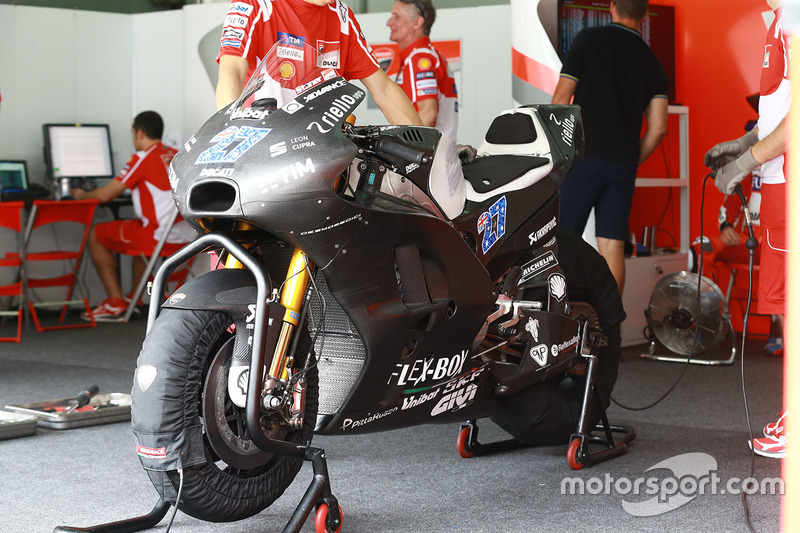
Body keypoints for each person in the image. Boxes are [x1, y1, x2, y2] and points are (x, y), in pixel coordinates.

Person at [706, 0, 788, 458]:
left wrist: (744, 162)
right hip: (780, 180)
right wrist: (743, 142)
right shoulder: (779, 20)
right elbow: (780, 114)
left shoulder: (793, 17)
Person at [551, 0, 669, 296]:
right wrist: (632, 160)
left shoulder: (588, 40)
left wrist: (559, 152)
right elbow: (659, 128)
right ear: (644, 15)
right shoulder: (652, 60)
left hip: (582, 158)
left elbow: (561, 99)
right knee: (612, 243)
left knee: (562, 240)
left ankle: (562, 321)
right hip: (622, 164)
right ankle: (610, 326)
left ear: (612, 7)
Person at [215, 0, 423, 128]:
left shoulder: (342, 16)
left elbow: (383, 88)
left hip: (321, 151)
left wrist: (425, 146)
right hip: (262, 141)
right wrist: (229, 131)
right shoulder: (256, 4)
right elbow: (231, 71)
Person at [71, 111, 196, 322]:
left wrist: (79, 194)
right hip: (188, 236)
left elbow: (105, 195)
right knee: (136, 231)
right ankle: (133, 298)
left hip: (158, 237)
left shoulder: (142, 158)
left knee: (96, 233)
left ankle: (114, 302)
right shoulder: (178, 155)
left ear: (139, 132)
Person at [386, 0, 458, 141]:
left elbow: (428, 112)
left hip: (429, 156)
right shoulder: (425, 55)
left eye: (397, 16)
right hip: (437, 152)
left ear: (418, 23)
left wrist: (403, 148)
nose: (389, 22)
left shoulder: (419, 58)